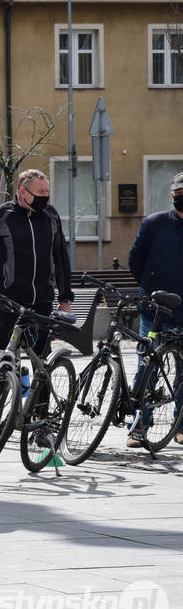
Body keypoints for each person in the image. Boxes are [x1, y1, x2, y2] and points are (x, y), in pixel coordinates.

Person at [0, 168, 74, 358]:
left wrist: (65, 299)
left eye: (47, 192)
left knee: (41, 362)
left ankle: (36, 388)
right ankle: (3, 386)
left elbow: (61, 257)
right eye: (40, 192)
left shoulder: (50, 215)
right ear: (23, 192)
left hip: (42, 303)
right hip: (9, 304)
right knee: (4, 360)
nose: (45, 197)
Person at [126, 170, 183, 447]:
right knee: (146, 365)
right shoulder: (154, 224)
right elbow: (135, 261)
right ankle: (139, 426)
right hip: (155, 310)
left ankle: (181, 426)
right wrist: (150, 289)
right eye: (178, 195)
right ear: (172, 196)